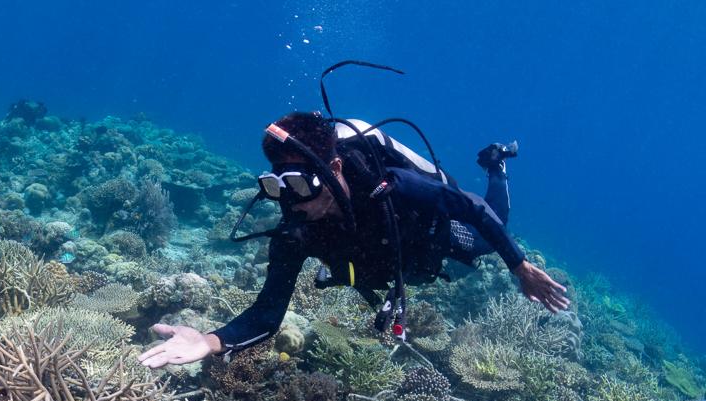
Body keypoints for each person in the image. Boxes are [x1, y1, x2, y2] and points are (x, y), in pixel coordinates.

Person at [138, 111, 569, 369]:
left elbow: (473, 208)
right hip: (384, 262)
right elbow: (267, 314)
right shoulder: (296, 230)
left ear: (336, 167)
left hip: (434, 233)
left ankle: (496, 164)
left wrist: (519, 266)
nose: (293, 201)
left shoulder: (393, 184)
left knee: (489, 237)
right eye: (279, 185)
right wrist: (211, 341)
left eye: (302, 184)